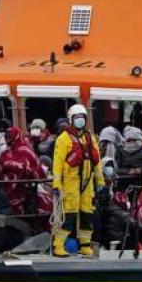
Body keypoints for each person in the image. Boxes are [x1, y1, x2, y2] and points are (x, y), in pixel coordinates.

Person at [52, 104, 104, 257]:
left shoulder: (90, 138)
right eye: (77, 118)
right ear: (71, 120)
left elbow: (97, 162)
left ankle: (85, 245)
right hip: (70, 182)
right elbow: (57, 164)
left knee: (87, 213)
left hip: (87, 182)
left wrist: (100, 181)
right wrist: (57, 184)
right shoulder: (63, 139)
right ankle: (58, 244)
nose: (80, 120)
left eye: (82, 118)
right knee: (69, 214)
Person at [0, 126, 47, 215]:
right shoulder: (7, 152)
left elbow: (27, 169)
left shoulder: (25, 150)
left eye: (9, 137)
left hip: (25, 188)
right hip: (7, 186)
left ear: (16, 136)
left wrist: (9, 165)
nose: (7, 139)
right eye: (6, 137)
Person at [94, 157, 132, 249]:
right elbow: (103, 202)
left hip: (110, 209)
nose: (109, 168)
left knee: (119, 220)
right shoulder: (96, 181)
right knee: (115, 219)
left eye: (111, 166)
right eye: (107, 166)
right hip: (99, 209)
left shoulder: (115, 182)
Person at [115, 126, 142, 194]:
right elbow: (116, 168)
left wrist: (140, 170)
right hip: (123, 182)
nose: (130, 143)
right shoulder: (120, 150)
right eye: (128, 140)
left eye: (133, 140)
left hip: (138, 182)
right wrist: (128, 171)